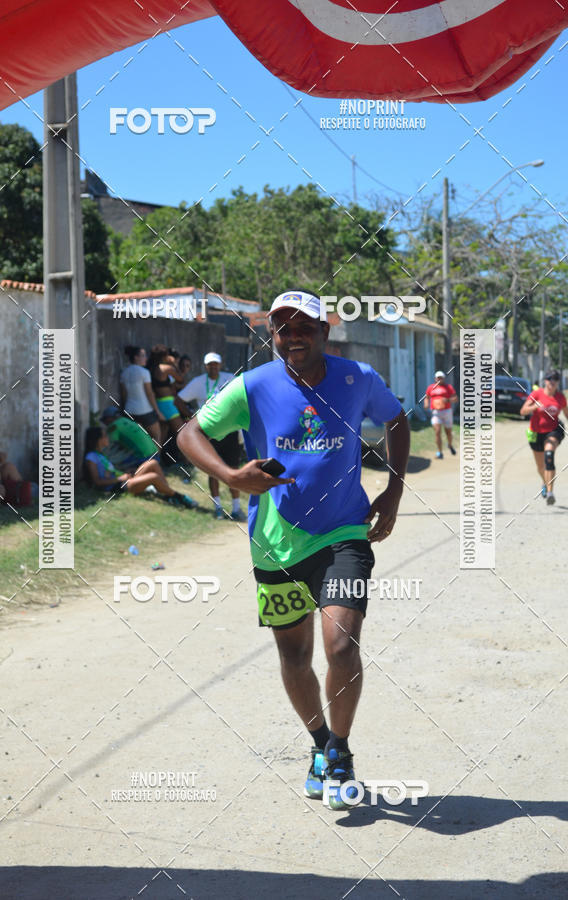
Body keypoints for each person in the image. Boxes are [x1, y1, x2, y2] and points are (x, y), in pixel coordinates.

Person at [178, 290, 409, 810]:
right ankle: (321, 746)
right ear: (273, 336)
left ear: (325, 331)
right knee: (295, 655)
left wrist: (393, 489)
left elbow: (396, 419)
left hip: (343, 534)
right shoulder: (253, 385)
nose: (293, 334)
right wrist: (230, 474)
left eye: (304, 325)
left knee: (341, 646)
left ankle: (342, 754)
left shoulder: (357, 379)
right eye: (283, 327)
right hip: (274, 545)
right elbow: (190, 432)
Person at [177, 352, 244, 521]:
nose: (213, 367)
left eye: (216, 364)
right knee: (213, 469)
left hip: (230, 431)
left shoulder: (230, 378)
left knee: (234, 468)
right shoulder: (198, 382)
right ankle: (218, 507)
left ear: (220, 365)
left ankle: (236, 507)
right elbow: (178, 400)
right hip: (209, 432)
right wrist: (192, 416)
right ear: (205, 366)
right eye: (210, 364)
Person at [83, 426, 198, 507]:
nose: (107, 438)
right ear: (98, 440)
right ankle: (178, 497)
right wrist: (119, 479)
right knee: (153, 476)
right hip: (117, 487)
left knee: (152, 463)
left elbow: (110, 471)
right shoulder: (91, 457)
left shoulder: (101, 454)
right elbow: (97, 481)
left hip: (122, 480)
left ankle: (168, 495)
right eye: (104, 436)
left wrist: (125, 472)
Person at [520, 369, 567, 505]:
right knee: (541, 467)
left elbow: (566, 413)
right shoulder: (537, 394)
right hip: (535, 432)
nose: (552, 382)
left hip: (553, 430)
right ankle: (545, 483)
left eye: (555, 380)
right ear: (545, 381)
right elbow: (523, 411)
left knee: (549, 456)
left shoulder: (560, 397)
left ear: (558, 382)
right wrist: (534, 406)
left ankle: (551, 493)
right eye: (549, 379)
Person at [120, 346, 165, 446]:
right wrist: (157, 412)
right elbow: (149, 393)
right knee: (156, 438)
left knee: (137, 442)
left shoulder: (124, 373)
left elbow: (124, 395)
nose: (146, 358)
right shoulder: (144, 372)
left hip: (130, 411)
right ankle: (156, 460)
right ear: (136, 357)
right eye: (143, 355)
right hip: (145, 411)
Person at [424, 370, 457, 458]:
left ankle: (450, 444)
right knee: (437, 431)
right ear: (435, 378)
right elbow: (427, 397)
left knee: (448, 432)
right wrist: (426, 404)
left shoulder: (448, 387)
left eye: (441, 378)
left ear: (444, 379)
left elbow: (455, 399)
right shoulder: (431, 388)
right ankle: (439, 452)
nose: (439, 379)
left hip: (446, 411)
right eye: (438, 378)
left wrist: (448, 400)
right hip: (436, 412)